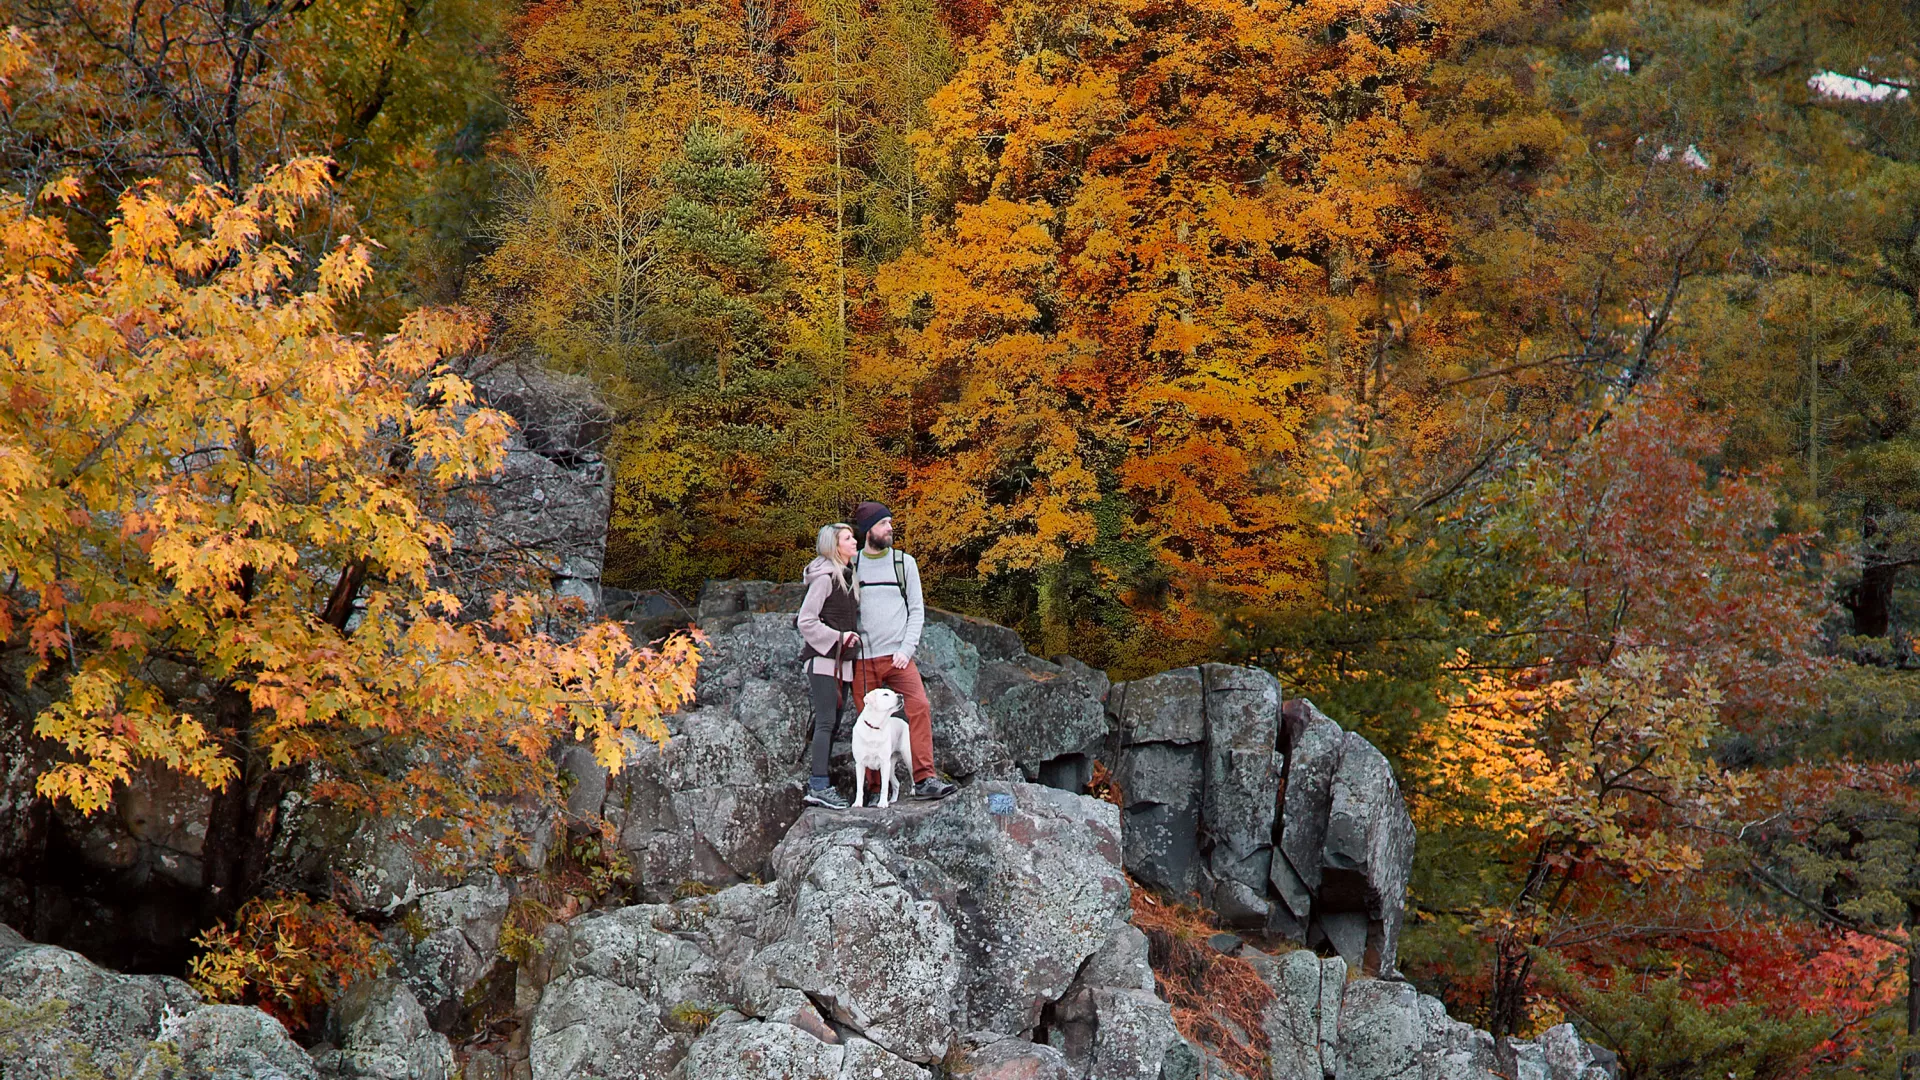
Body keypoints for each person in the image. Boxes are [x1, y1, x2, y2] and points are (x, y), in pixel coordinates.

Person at [849, 501, 956, 800]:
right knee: (866, 717)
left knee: (919, 705)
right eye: (885, 524)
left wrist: (907, 649)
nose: (890, 528)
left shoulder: (903, 563)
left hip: (898, 657)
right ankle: (872, 789)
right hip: (863, 659)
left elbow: (917, 610)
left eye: (890, 523)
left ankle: (924, 779)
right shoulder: (852, 564)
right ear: (869, 529)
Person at [796, 522, 860, 810]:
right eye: (848, 538)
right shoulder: (825, 579)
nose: (855, 541)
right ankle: (818, 786)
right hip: (823, 663)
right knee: (825, 723)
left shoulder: (848, 576)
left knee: (831, 725)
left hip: (840, 665)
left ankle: (820, 785)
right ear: (835, 546)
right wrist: (840, 638)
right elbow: (806, 620)